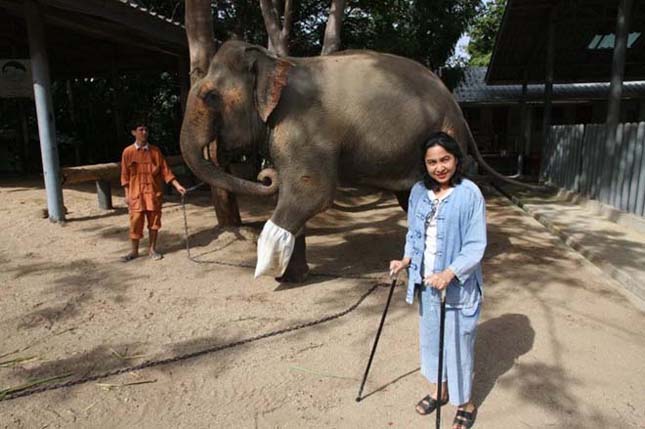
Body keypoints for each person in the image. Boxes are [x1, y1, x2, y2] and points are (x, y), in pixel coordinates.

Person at [389, 132, 486, 429]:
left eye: (445, 159)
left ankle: (464, 402)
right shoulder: (418, 192)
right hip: (427, 285)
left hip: (457, 288)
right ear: (424, 164)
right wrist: (405, 259)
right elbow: (414, 234)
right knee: (431, 343)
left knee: (458, 344)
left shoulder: (470, 194)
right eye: (432, 162)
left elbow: (475, 244)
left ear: (457, 159)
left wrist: (450, 272)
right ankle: (439, 390)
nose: (439, 167)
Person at [120, 121, 186, 262]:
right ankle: (134, 251)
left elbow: (165, 171)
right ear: (134, 132)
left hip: (153, 193)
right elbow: (125, 176)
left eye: (146, 130)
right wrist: (127, 196)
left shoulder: (155, 151)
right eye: (140, 129)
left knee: (154, 222)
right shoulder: (128, 152)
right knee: (136, 221)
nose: (144, 132)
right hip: (136, 195)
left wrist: (177, 185)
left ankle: (152, 249)